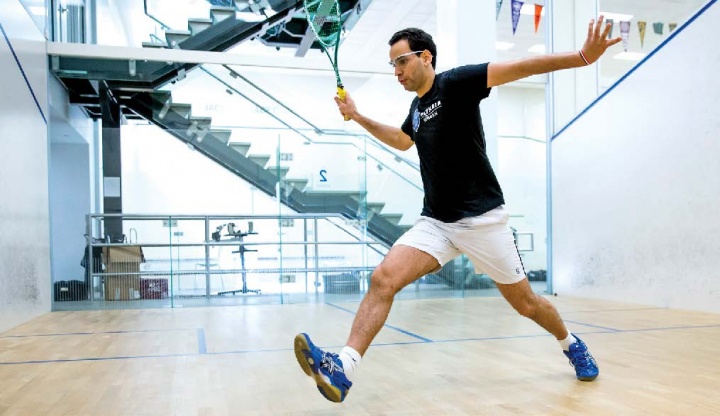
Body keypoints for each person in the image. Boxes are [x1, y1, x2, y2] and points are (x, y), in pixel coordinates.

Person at [294, 16, 622, 403]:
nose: (396, 72)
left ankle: (570, 343)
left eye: (401, 62)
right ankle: (344, 368)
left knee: (527, 304)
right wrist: (360, 116)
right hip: (436, 222)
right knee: (383, 278)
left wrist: (583, 57)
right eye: (392, 65)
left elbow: (521, 67)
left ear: (425, 57)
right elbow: (402, 141)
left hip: (484, 221)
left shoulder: (457, 83)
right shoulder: (416, 110)